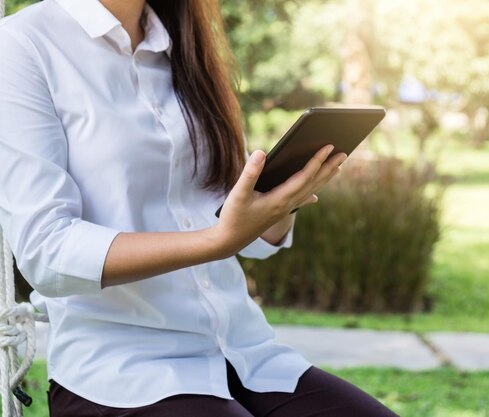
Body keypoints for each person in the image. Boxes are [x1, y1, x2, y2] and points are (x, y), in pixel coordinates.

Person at [0, 0, 401, 416]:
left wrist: (279, 204)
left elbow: (235, 221)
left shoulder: (186, 43)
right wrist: (215, 241)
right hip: (121, 374)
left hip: (246, 356)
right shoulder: (24, 44)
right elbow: (47, 250)